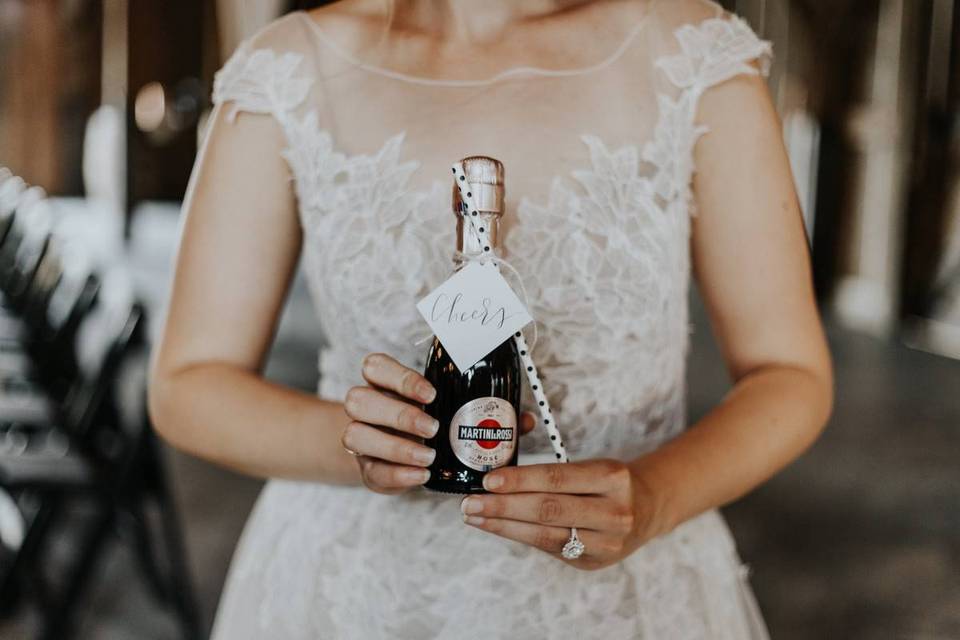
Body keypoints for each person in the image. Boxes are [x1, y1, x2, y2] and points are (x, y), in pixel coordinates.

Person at [147, 0, 834, 637]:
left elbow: (792, 373)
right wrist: (355, 441)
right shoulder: (294, 70)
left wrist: (654, 496)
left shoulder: (690, 56)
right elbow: (187, 385)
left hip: (626, 593)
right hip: (359, 595)